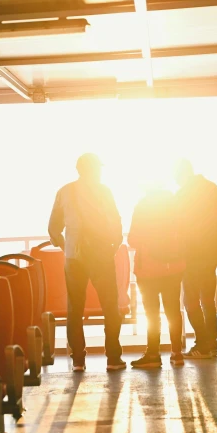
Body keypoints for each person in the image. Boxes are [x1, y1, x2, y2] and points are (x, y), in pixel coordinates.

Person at [48, 153, 126, 372]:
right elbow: (115, 221)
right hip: (101, 255)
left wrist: (67, 247)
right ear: (93, 170)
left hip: (74, 258)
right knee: (110, 306)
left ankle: (78, 360)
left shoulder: (64, 192)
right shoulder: (104, 191)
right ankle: (113, 358)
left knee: (75, 308)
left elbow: (53, 228)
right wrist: (114, 244)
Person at [128, 188, 185, 368]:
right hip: (173, 267)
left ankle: (153, 353)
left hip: (149, 269)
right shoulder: (176, 206)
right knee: (173, 309)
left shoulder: (143, 207)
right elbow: (185, 235)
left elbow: (133, 239)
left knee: (152, 313)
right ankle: (176, 353)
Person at [174, 159, 217, 359]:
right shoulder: (212, 189)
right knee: (208, 300)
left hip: (193, 254)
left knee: (190, 300)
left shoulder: (183, 195)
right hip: (211, 252)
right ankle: (211, 343)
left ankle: (203, 343)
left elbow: (179, 225)